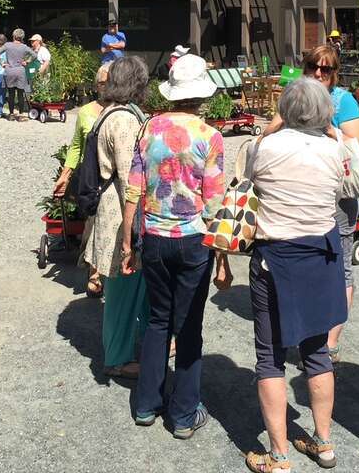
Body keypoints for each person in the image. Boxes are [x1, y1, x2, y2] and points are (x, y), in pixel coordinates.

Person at [119, 54, 231, 438]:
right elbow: (214, 200)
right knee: (189, 325)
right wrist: (223, 256)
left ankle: (147, 404)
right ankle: (183, 414)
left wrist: (127, 241)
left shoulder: (148, 128)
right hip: (193, 239)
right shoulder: (209, 135)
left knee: (157, 320)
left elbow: (134, 187)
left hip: (153, 237)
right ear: (202, 94)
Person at [244, 77, 348, 472]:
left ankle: (279, 455)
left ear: (284, 110)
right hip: (320, 254)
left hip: (276, 256)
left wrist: (271, 127)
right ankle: (323, 442)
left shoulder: (265, 147)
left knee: (270, 357)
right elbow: (346, 183)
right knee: (317, 352)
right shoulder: (334, 148)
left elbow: (249, 176)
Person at [263, 43, 359, 363]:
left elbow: (357, 146)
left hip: (337, 195)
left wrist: (328, 128)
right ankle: (307, 329)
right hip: (301, 193)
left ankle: (330, 340)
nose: (318, 74)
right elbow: (267, 134)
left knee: (340, 265)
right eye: (313, 67)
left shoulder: (342, 100)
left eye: (326, 69)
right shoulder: (293, 95)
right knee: (304, 261)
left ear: (335, 74)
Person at [80, 56, 148, 378]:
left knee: (133, 285)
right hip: (119, 212)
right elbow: (128, 177)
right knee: (121, 290)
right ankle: (117, 358)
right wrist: (131, 234)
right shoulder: (124, 120)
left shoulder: (108, 112)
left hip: (114, 209)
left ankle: (142, 341)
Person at [53, 62, 112, 297]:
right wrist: (65, 175)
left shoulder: (124, 110)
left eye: (110, 83)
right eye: (101, 83)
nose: (106, 87)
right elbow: (76, 147)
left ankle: (106, 272)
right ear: (96, 86)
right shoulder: (86, 112)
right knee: (93, 222)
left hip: (114, 178)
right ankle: (95, 271)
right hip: (90, 177)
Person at [0, 28, 36, 121]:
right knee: (20, 94)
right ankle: (21, 115)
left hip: (9, 71)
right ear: (22, 37)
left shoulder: (7, 45)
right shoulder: (24, 47)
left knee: (11, 94)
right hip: (20, 71)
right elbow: (34, 55)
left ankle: (11, 114)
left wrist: (2, 63)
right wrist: (27, 62)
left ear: (14, 36)